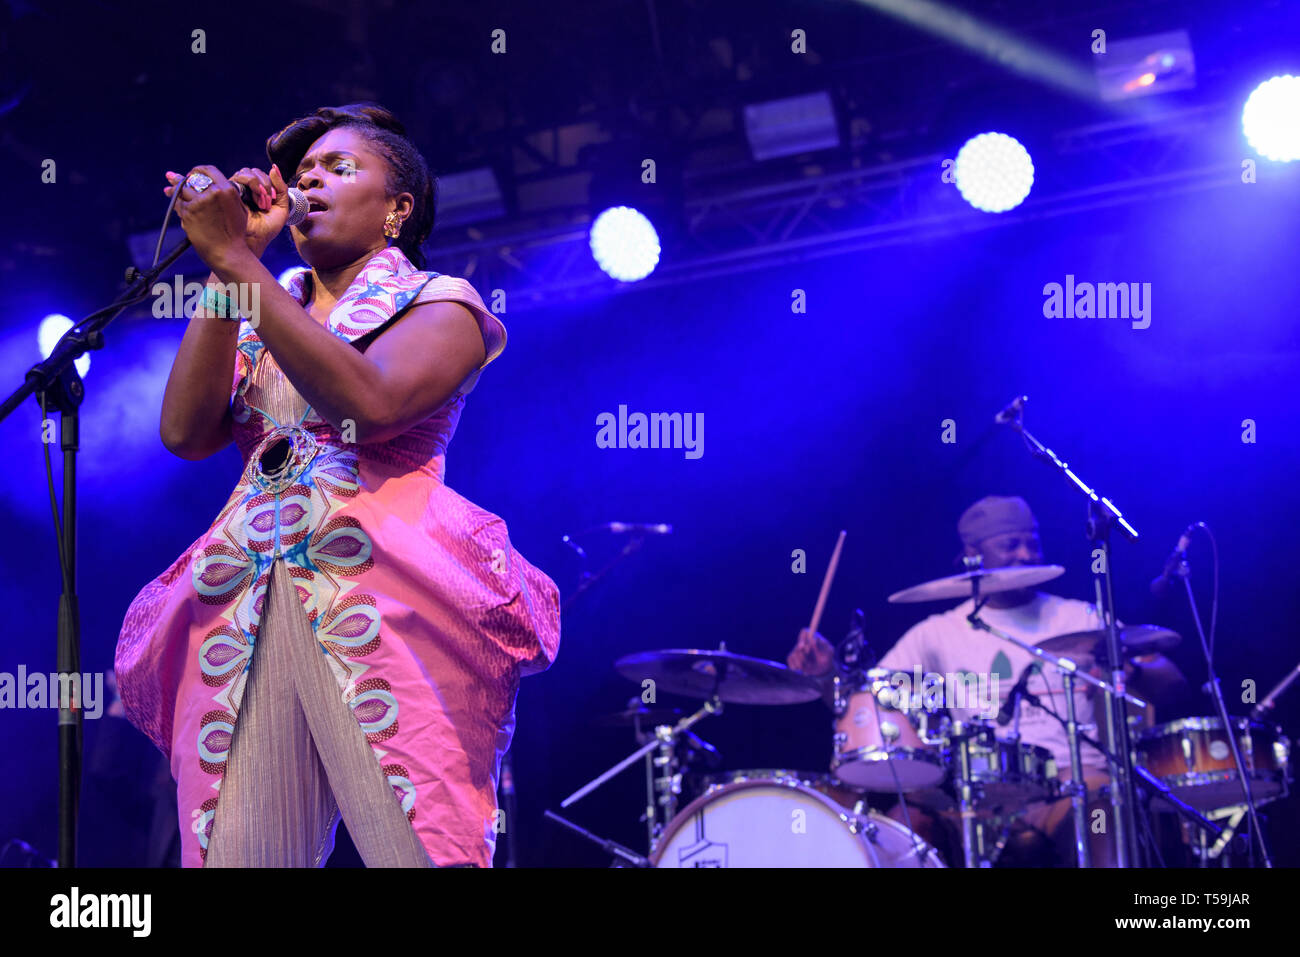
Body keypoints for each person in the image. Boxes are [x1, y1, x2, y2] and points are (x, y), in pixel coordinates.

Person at [115, 103, 561, 868]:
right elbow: (186, 433)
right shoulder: (263, 302)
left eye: (340, 169)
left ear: (398, 209)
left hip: (381, 591)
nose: (312, 182)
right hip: (251, 593)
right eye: (305, 174)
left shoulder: (442, 302)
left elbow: (370, 406)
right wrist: (233, 269)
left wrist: (243, 267)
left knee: (418, 845)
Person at [788, 495, 1187, 866]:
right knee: (901, 828)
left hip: (1071, 782)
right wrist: (827, 674)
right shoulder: (937, 633)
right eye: (1011, 545)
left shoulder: (1081, 619)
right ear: (973, 555)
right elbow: (869, 710)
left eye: (1032, 542)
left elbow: (1172, 686)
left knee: (1107, 811)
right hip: (969, 797)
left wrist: (1127, 669)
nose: (1027, 555)